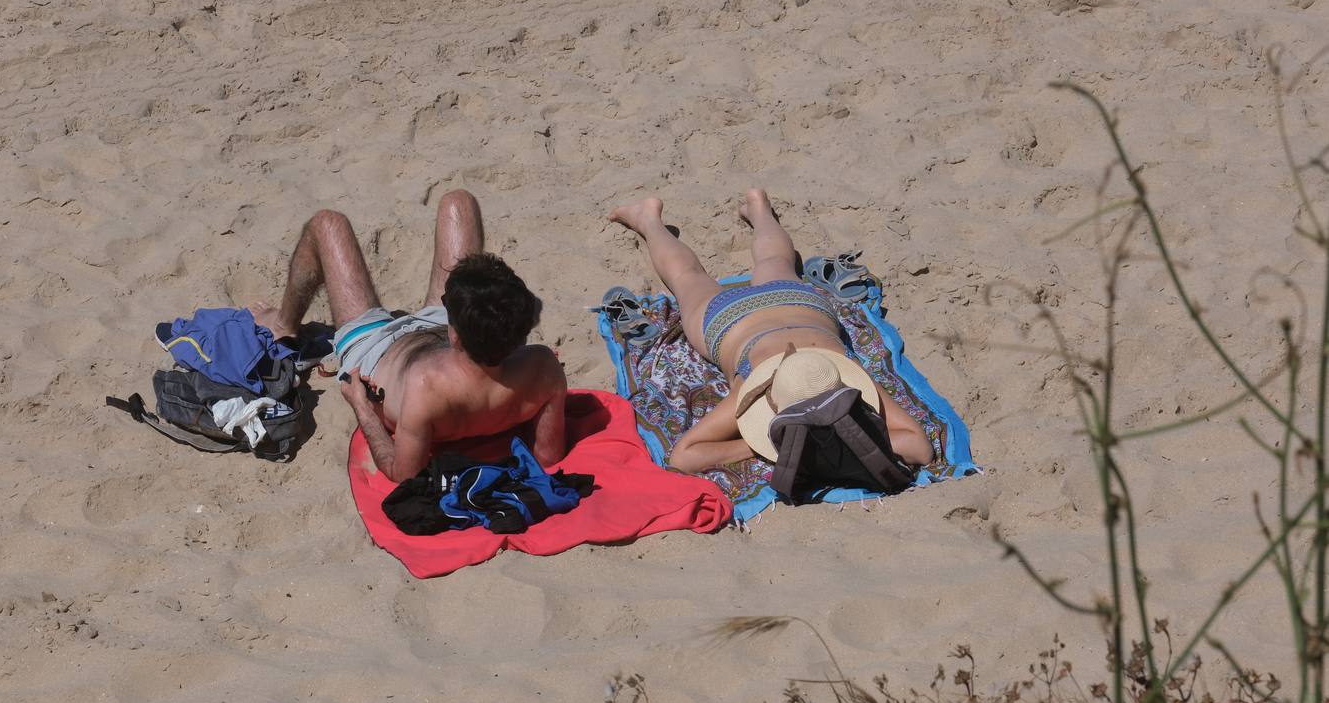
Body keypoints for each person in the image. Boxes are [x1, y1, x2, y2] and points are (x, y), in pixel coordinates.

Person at [607, 188, 933, 475]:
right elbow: (918, 446)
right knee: (696, 277)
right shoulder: (833, 381)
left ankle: (672, 216)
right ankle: (750, 208)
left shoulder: (763, 385)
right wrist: (785, 446)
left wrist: (780, 443)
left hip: (791, 307)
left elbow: (685, 454)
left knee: (694, 276)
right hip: (740, 321)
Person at [253, 190, 567, 482]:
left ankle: (283, 323)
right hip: (448, 340)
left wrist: (362, 406)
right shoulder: (543, 367)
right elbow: (549, 457)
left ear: (455, 334)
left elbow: (401, 474)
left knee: (327, 223)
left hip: (374, 347)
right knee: (459, 202)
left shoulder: (425, 387)